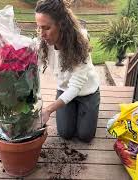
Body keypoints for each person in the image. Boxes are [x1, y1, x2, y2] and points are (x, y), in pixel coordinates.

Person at [35, 0, 100, 143]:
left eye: (46, 28)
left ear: (61, 25)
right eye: (39, 27)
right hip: (64, 90)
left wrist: (48, 109)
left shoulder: (79, 43)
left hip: (86, 91)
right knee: (65, 133)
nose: (41, 34)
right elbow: (32, 67)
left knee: (85, 136)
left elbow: (76, 87)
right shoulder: (43, 43)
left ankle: (91, 106)